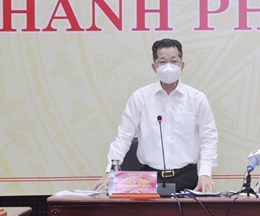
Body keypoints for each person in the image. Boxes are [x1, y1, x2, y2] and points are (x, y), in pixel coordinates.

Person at [92, 38, 219, 193]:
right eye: (162, 61)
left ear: (182, 65)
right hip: (148, 179)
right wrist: (109, 171)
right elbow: (123, 137)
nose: (168, 67)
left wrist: (205, 173)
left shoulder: (196, 98)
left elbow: (209, 138)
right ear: (154, 67)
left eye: (174, 61)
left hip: (187, 178)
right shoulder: (140, 98)